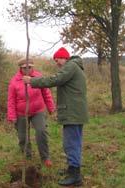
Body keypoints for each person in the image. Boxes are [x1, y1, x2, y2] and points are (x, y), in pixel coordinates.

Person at [23, 47, 88, 186]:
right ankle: (72, 169)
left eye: (57, 59)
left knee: (71, 144)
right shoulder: (74, 67)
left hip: (73, 113)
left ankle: (75, 176)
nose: (56, 62)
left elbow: (55, 80)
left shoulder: (71, 66)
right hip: (74, 112)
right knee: (72, 143)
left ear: (64, 57)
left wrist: (32, 81)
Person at [7, 58, 56, 167]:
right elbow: (11, 100)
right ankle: (27, 157)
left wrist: (51, 107)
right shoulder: (14, 81)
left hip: (37, 111)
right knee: (23, 137)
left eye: (30, 67)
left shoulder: (38, 77)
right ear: (20, 68)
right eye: (25, 68)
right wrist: (12, 116)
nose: (28, 70)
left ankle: (45, 157)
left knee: (41, 131)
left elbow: (46, 93)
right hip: (21, 113)